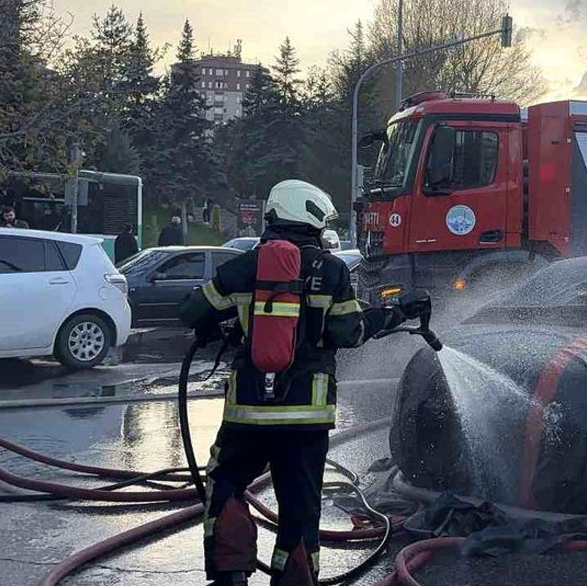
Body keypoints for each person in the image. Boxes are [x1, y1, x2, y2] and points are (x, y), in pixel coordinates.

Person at [179, 179, 430, 586]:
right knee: (299, 508)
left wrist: (224, 325)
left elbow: (191, 310)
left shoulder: (246, 266)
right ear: (310, 216)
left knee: (225, 486)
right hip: (306, 419)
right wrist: (396, 311)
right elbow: (349, 332)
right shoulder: (330, 271)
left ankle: (229, 575)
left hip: (248, 414)